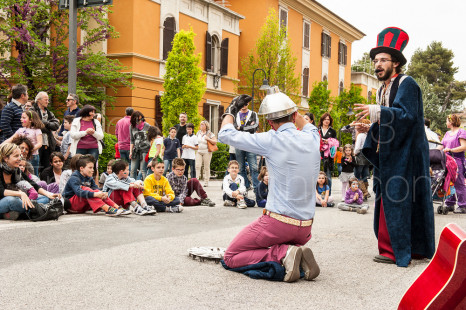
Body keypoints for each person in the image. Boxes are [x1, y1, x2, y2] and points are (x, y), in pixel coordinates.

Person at [218, 89, 321, 282]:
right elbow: (305, 124)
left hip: (278, 223)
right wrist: (286, 100)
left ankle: (283, 253)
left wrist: (231, 110)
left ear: (270, 123)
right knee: (265, 244)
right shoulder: (313, 137)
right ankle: (293, 254)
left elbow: (225, 134)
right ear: (294, 114)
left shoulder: (271, 139)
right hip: (306, 227)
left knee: (231, 257)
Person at [354, 27, 434, 267]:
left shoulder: (407, 84)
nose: (377, 64)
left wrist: (378, 111)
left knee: (401, 199)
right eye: (375, 60)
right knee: (389, 197)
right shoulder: (382, 89)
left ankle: (400, 250)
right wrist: (369, 129)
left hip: (407, 156)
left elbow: (408, 117)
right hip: (392, 156)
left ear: (396, 62)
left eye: (382, 60)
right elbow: (390, 123)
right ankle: (398, 247)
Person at [0, 143, 58, 220]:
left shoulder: (16, 170)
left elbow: (33, 184)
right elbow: (1, 191)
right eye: (16, 156)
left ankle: (20, 213)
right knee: (13, 200)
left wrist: (48, 193)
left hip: (18, 200)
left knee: (45, 199)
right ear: (5, 158)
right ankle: (32, 211)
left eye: (20, 155)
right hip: (6, 200)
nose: (20, 158)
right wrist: (21, 194)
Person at [62, 155, 128, 216]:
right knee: (85, 189)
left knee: (96, 191)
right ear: (81, 168)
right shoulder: (74, 177)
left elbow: (96, 189)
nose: (93, 170)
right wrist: (95, 194)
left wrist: (102, 193)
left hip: (83, 207)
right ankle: (107, 209)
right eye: (90, 168)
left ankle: (117, 207)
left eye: (93, 168)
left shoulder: (89, 178)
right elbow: (78, 192)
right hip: (71, 206)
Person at [438, 114, 466, 213]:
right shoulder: (447, 133)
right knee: (448, 181)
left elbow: (464, 146)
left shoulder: (461, 132)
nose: (446, 123)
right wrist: (432, 151)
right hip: (447, 160)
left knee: (458, 182)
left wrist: (451, 149)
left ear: (451, 121)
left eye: (447, 121)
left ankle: (463, 205)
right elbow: (441, 146)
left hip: (457, 160)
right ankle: (450, 203)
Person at [2, 110, 44, 175]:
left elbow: (40, 143)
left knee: (33, 174)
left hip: (33, 156)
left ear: (31, 120)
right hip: (21, 156)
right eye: (21, 117)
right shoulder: (20, 130)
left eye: (24, 118)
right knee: (21, 173)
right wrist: (1, 146)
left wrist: (29, 150)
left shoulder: (37, 130)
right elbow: (11, 139)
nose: (21, 119)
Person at [69, 105, 104, 174]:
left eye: (94, 112)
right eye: (92, 112)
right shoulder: (76, 121)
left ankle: (92, 183)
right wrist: (85, 132)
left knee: (92, 168)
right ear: (86, 112)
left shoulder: (96, 122)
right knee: (79, 167)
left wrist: (93, 133)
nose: (93, 114)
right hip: (79, 148)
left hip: (93, 148)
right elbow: (73, 135)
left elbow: (101, 136)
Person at [31, 91, 60, 173]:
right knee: (36, 166)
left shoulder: (49, 113)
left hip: (48, 143)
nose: (48, 101)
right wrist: (48, 127)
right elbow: (36, 124)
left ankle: (46, 184)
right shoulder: (32, 110)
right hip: (36, 142)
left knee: (47, 166)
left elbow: (56, 125)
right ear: (39, 100)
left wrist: (45, 123)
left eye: (48, 100)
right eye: (46, 99)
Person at [234, 100, 260, 192]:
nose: (243, 106)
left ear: (248, 104)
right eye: (242, 104)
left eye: (245, 104)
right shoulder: (236, 115)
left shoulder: (253, 114)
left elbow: (255, 127)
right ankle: (245, 186)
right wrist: (248, 127)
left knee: (253, 167)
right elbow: (233, 127)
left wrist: (241, 128)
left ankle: (257, 188)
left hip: (250, 143)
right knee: (240, 168)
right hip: (239, 143)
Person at [318, 113, 337, 195]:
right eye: (325, 119)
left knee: (328, 175)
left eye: (328, 119)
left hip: (328, 156)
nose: (326, 121)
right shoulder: (317, 130)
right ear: (322, 120)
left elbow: (335, 143)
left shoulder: (332, 131)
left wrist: (328, 142)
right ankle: (317, 194)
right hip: (318, 154)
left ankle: (328, 195)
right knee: (317, 174)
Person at [353, 119, 372, 200]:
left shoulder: (360, 135)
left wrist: (354, 153)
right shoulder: (370, 135)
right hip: (368, 156)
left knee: (357, 175)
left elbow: (357, 147)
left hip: (360, 155)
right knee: (365, 175)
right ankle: (365, 194)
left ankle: (364, 192)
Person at [129, 111, 151, 180]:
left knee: (143, 170)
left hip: (145, 149)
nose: (140, 121)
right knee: (132, 169)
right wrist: (130, 152)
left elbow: (151, 138)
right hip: (136, 150)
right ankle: (133, 186)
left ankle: (146, 186)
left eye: (141, 119)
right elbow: (132, 140)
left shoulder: (147, 126)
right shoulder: (131, 127)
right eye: (138, 120)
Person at [195, 120, 217, 186]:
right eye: (200, 124)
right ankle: (196, 180)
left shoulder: (210, 133)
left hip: (207, 152)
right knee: (197, 166)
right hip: (199, 151)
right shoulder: (198, 133)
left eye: (202, 124)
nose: (201, 126)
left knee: (206, 167)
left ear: (206, 126)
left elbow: (215, 141)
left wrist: (208, 139)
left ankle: (206, 182)